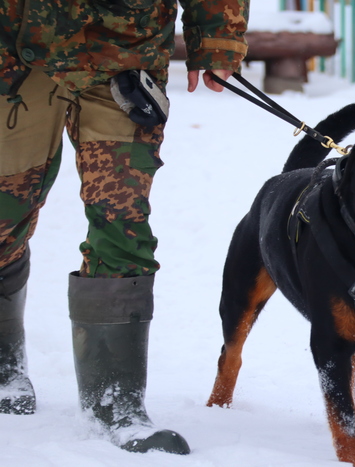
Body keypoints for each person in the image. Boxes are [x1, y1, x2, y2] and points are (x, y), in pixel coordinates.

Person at [0, 0, 248, 455]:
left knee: (122, 219)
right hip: (14, 49)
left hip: (123, 48)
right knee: (4, 214)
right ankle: (2, 367)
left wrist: (218, 36)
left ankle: (114, 402)